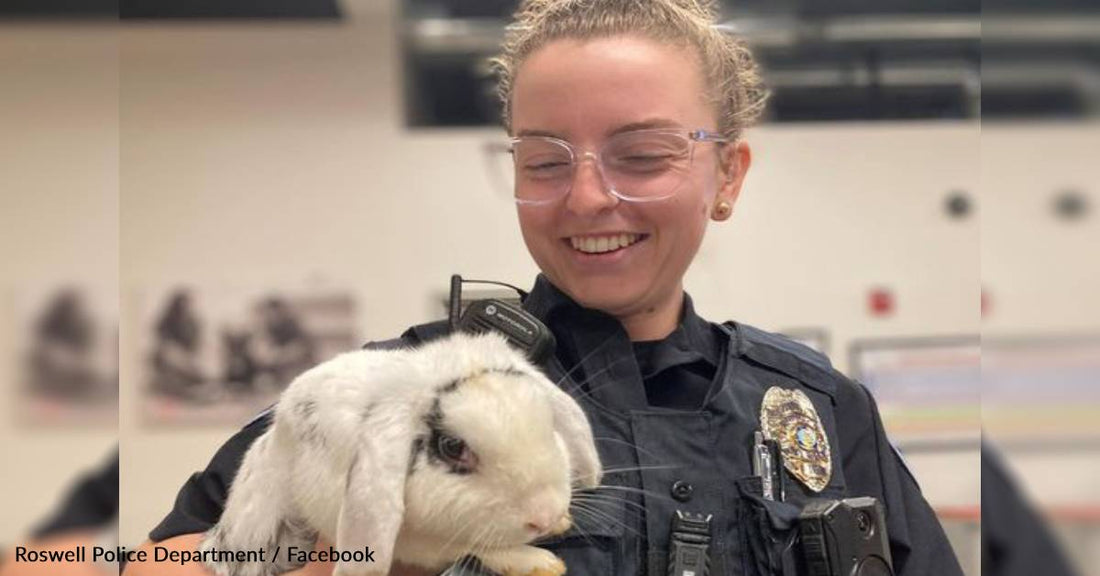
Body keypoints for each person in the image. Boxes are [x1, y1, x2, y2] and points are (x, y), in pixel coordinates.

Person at [127, 0, 963, 574]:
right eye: (544, 161)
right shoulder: (391, 394)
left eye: (641, 154)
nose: (589, 197)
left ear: (727, 176)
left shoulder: (818, 407)